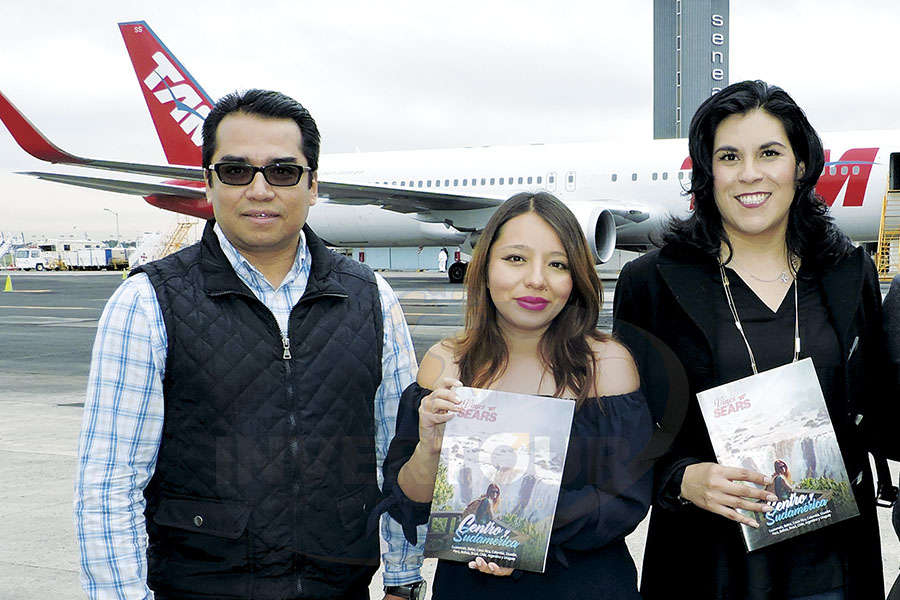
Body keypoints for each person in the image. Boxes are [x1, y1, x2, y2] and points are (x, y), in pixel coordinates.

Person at [74, 89, 425, 600]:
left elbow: (397, 454)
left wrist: (403, 578)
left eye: (283, 171)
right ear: (208, 185)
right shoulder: (146, 302)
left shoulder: (371, 297)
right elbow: (109, 486)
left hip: (341, 585)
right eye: (236, 171)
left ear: (313, 186)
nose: (260, 190)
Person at [614, 79, 895, 599]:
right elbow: (627, 426)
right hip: (709, 560)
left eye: (769, 152)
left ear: (801, 164)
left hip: (830, 560)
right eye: (729, 156)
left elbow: (876, 404)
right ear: (707, 170)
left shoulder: (848, 272)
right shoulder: (651, 283)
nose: (750, 174)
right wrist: (680, 478)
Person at [380, 192, 654, 599]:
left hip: (583, 586)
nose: (537, 279)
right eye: (516, 258)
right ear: (485, 266)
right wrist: (429, 448)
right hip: (469, 587)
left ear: (576, 277)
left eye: (557, 264)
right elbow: (409, 504)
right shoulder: (444, 364)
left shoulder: (607, 366)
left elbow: (624, 501)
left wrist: (516, 539)